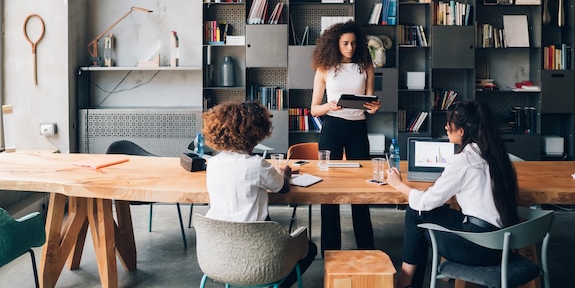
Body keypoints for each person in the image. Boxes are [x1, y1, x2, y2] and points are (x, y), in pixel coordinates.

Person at [386, 100, 519, 288]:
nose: (445, 127)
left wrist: (399, 185)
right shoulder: (496, 155)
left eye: (449, 124)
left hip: (480, 248)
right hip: (503, 242)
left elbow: (424, 202)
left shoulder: (464, 160)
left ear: (462, 132)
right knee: (422, 214)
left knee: (416, 214)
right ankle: (408, 281)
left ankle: (405, 280)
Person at [203, 100, 317, 288]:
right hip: (258, 252)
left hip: (218, 252)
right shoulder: (256, 164)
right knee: (309, 248)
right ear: (257, 134)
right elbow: (282, 188)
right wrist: (285, 174)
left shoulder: (213, 164)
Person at [310, 20, 382, 254]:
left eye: (353, 43)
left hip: (357, 128)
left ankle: (367, 247)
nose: (350, 48)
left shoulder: (365, 65)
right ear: (335, 44)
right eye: (345, 43)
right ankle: (330, 249)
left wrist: (374, 107)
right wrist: (329, 106)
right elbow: (313, 109)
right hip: (331, 126)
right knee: (327, 188)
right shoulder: (324, 68)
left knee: (362, 188)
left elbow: (370, 103)